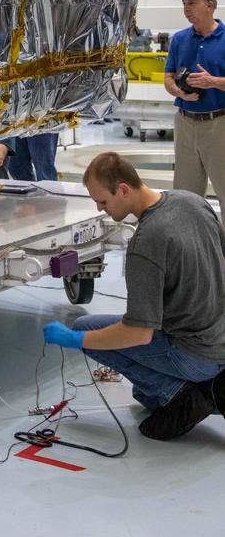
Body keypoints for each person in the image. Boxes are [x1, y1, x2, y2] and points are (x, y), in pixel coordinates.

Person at [43, 150, 225, 440]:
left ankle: (183, 395)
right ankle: (210, 383)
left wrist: (76, 341)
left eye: (102, 201)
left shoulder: (147, 242)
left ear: (123, 189)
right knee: (141, 392)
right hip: (219, 338)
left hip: (195, 354)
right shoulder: (194, 202)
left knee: (84, 329)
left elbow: (138, 333)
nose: (101, 209)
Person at [164, 0, 225, 222]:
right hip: (185, 122)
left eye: (192, 3)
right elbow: (168, 77)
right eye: (184, 4)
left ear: (209, 5)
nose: (186, 9)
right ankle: (190, 251)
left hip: (218, 123)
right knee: (184, 194)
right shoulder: (180, 39)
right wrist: (179, 91)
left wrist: (213, 81)